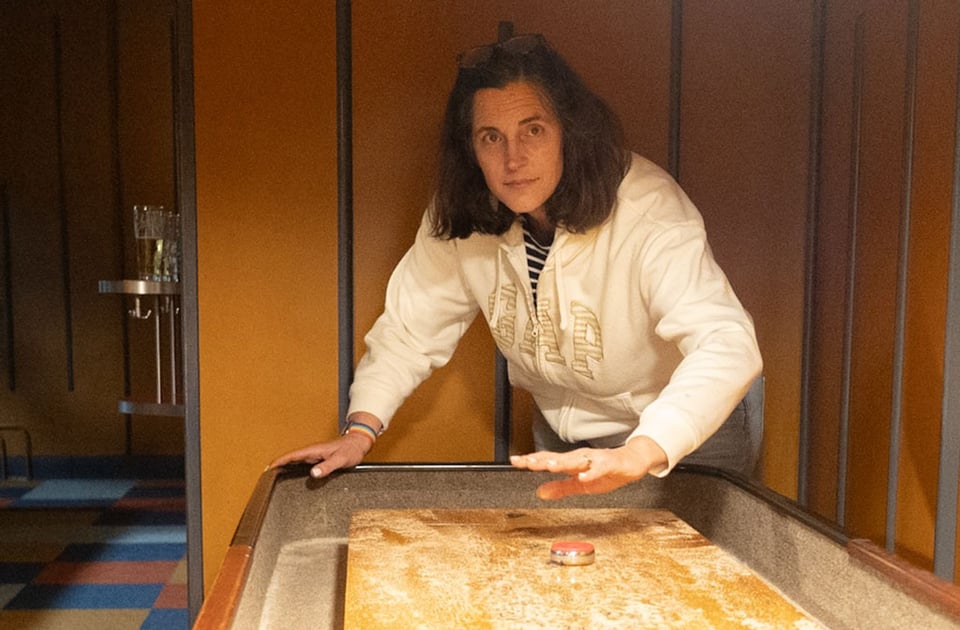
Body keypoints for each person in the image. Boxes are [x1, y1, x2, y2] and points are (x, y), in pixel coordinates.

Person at [271, 33, 763, 500]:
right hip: (562, 434)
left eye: (533, 129)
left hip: (685, 430)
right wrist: (360, 430)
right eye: (491, 137)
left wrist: (643, 449)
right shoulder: (465, 211)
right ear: (471, 150)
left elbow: (727, 344)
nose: (514, 159)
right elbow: (409, 331)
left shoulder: (647, 208)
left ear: (569, 132)